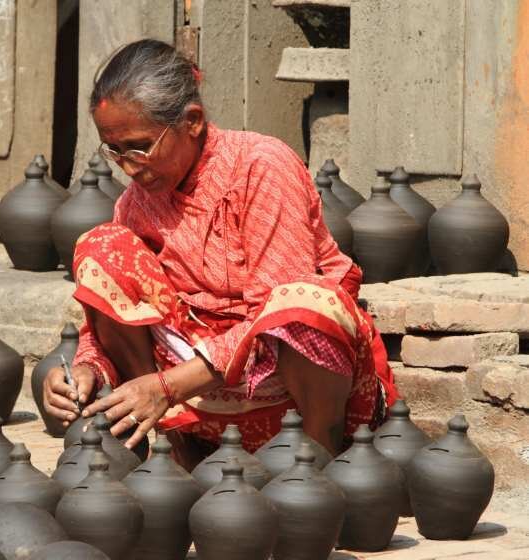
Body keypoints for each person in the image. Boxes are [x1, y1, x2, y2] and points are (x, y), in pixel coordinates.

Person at [42, 39, 398, 469]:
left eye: (139, 146)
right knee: (101, 249)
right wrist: (87, 370)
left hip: (286, 378)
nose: (128, 166)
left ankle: (314, 465)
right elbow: (110, 320)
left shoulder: (261, 167)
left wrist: (167, 387)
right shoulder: (137, 201)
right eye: (113, 150)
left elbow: (278, 311)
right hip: (192, 378)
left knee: (303, 304)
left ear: (192, 121)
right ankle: (173, 452)